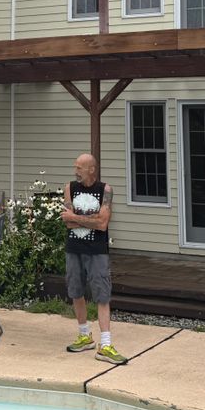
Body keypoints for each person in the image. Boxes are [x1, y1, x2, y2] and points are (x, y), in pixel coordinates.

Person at [61, 152, 126, 364]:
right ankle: (84, 335)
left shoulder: (105, 190)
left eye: (79, 167)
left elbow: (103, 224)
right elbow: (68, 223)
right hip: (74, 248)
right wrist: (90, 219)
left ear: (91, 169)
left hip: (97, 250)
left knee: (102, 294)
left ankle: (105, 345)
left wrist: (76, 218)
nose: (75, 171)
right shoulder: (69, 188)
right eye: (75, 167)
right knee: (76, 291)